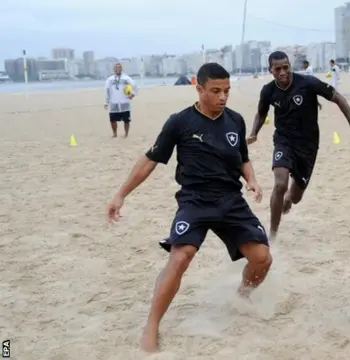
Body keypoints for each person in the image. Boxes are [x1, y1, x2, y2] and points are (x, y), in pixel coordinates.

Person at [105, 63, 271, 353]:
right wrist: (121, 194)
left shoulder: (235, 120)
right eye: (216, 91)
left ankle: (242, 295)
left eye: (227, 91)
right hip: (194, 200)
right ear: (200, 89)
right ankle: (152, 325)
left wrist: (252, 180)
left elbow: (242, 156)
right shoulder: (180, 122)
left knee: (262, 258)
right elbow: (149, 160)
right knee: (181, 256)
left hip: (231, 200)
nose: (223, 97)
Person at [247, 51, 350, 242]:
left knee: (295, 196)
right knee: (280, 183)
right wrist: (254, 133)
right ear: (271, 70)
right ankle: (272, 236)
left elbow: (338, 98)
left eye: (286, 67)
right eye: (278, 69)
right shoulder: (268, 91)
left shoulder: (308, 83)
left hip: (308, 146)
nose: (283, 72)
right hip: (284, 141)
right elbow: (261, 113)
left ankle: (287, 200)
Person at [104, 63, 137, 138]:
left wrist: (133, 94)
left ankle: (126, 134)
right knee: (112, 120)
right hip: (114, 102)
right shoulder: (110, 79)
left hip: (124, 102)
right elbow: (107, 91)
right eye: (116, 67)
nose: (117, 69)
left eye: (119, 67)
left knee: (126, 120)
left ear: (122, 69)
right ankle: (115, 133)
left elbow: (134, 86)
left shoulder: (126, 78)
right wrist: (106, 102)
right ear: (114, 69)